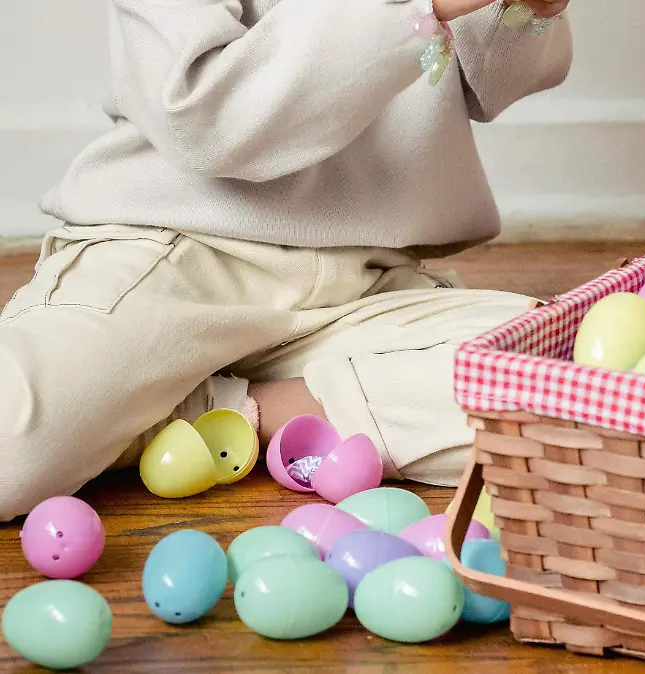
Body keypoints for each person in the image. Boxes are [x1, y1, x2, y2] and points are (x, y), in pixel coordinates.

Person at [0, 0, 572, 520]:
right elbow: (207, 120)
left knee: (586, 389)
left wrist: (530, 10)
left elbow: (491, 82)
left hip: (368, 282)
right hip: (180, 258)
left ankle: (221, 408)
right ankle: (143, 392)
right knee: (9, 448)